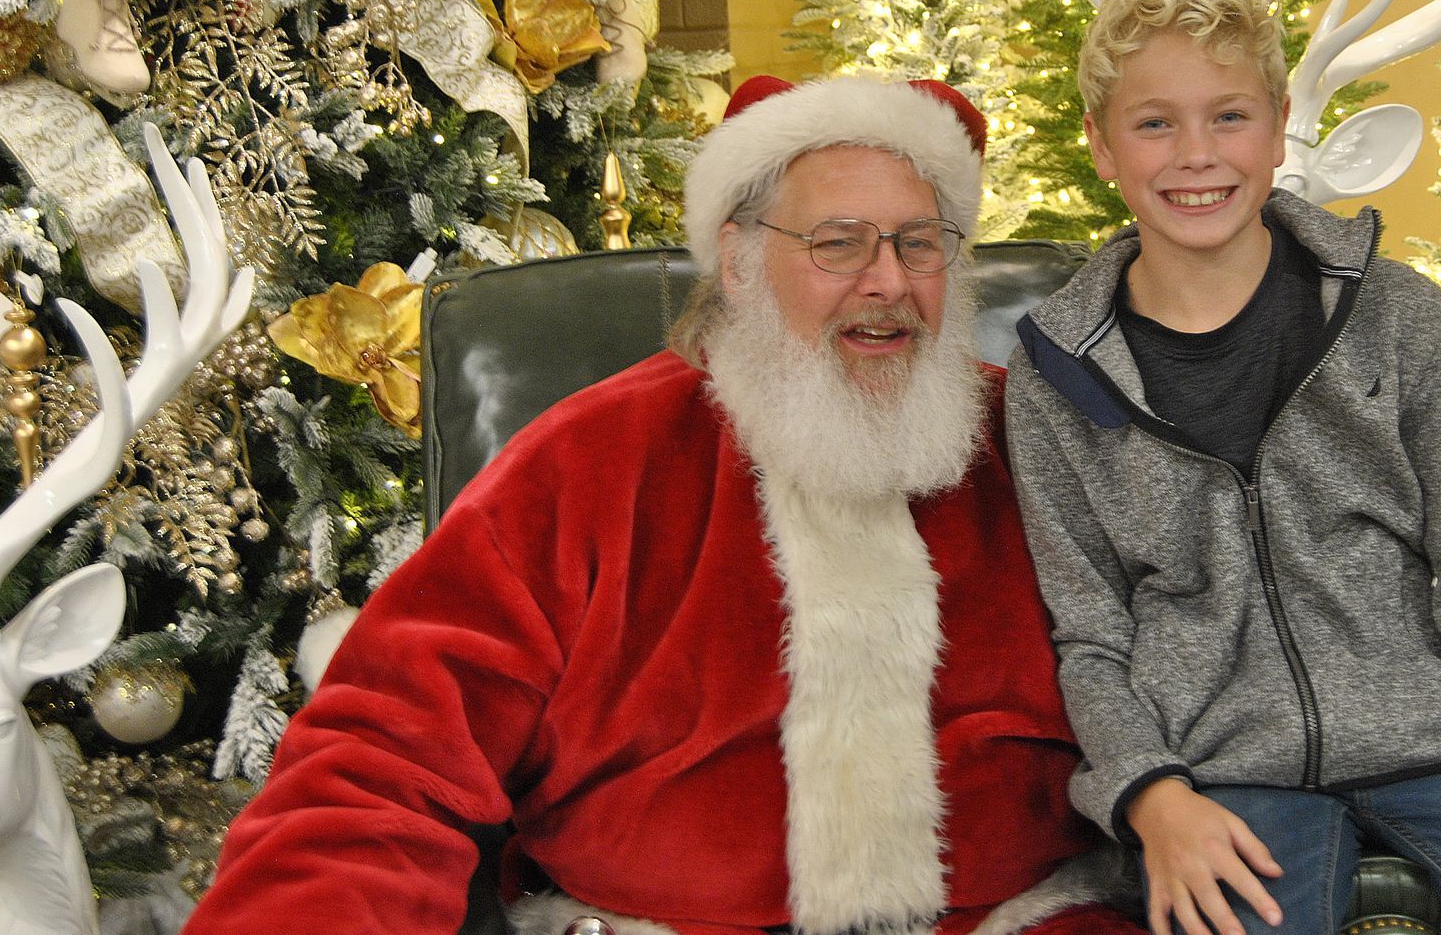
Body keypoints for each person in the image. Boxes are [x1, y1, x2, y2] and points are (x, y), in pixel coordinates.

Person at [182, 74, 1137, 935]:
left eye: (919, 244)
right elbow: (383, 760)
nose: (887, 281)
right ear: (738, 261)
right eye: (837, 243)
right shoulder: (587, 462)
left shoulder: (1038, 443)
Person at [1004, 0, 1441, 935]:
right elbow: (1091, 633)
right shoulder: (1056, 373)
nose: (1197, 155)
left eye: (1230, 116)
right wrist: (1152, 795)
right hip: (1220, 774)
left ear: (1279, 129)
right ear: (1102, 146)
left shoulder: (1398, 316)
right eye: (1154, 123)